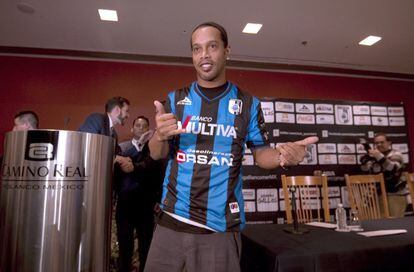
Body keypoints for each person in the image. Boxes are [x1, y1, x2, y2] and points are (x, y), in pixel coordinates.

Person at [145, 22, 318, 272]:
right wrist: (159, 136)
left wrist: (283, 156)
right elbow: (156, 153)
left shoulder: (247, 104)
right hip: (170, 224)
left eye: (212, 46)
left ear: (227, 51)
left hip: (218, 230)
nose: (204, 54)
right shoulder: (175, 100)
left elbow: (261, 155)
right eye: (197, 49)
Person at [116, 116, 164, 272]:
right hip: (125, 205)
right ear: (132, 129)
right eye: (138, 125)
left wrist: (159, 199)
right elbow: (121, 171)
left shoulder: (154, 150)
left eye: (144, 125)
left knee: (146, 246)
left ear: (148, 129)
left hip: (146, 205)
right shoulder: (122, 148)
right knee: (125, 245)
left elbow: (158, 175)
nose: (141, 128)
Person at [78, 96, 133, 171]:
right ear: (117, 110)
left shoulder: (114, 134)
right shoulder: (96, 119)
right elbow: (89, 148)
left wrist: (127, 160)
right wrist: (118, 158)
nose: (128, 115)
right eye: (126, 111)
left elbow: (119, 154)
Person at [360, 132, 406, 217]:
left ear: (389, 143)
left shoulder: (396, 154)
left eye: (382, 142)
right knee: (379, 224)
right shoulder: (374, 157)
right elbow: (367, 173)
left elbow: (392, 168)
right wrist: (364, 162)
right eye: (377, 143)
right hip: (377, 194)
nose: (379, 144)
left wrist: (379, 156)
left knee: (395, 224)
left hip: (395, 194)